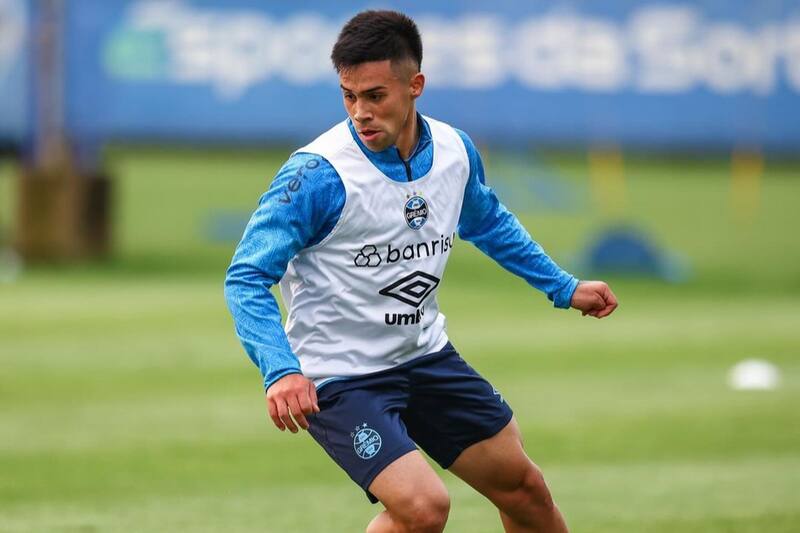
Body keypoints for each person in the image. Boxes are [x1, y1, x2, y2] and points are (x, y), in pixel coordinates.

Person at [224, 9, 617, 533]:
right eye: (349, 96)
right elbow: (246, 276)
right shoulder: (316, 175)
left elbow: (489, 222)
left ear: (415, 86)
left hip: (425, 357)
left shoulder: (455, 150)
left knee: (524, 489)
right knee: (424, 508)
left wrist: (563, 286)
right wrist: (280, 368)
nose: (360, 112)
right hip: (341, 376)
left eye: (375, 95)